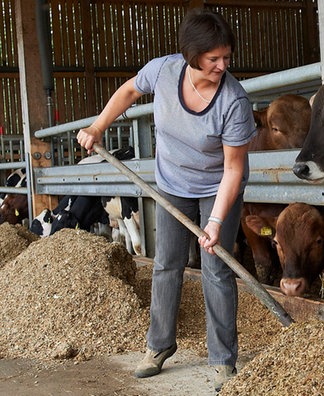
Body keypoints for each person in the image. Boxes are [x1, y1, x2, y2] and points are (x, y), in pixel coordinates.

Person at [76, 8, 255, 392]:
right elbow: (128, 91)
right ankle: (158, 347)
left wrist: (215, 222)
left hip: (216, 188)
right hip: (173, 183)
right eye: (213, 59)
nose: (222, 65)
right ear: (192, 55)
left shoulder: (234, 102)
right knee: (166, 265)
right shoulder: (164, 71)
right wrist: (97, 126)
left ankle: (223, 357)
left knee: (216, 268)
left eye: (227, 57)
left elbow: (233, 170)